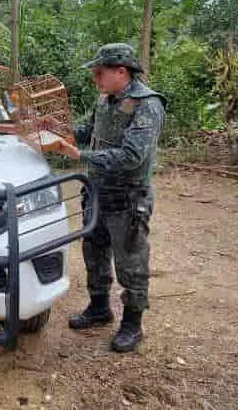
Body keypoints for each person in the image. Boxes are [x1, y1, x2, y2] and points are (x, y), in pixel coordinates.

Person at [59, 43, 167, 352]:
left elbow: (132, 156)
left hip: (128, 197)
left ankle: (133, 325)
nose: (96, 79)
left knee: (131, 261)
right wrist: (58, 130)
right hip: (97, 193)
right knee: (95, 252)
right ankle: (99, 308)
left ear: (122, 71)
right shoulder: (105, 100)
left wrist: (81, 155)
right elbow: (86, 129)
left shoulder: (147, 104)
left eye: (99, 73)